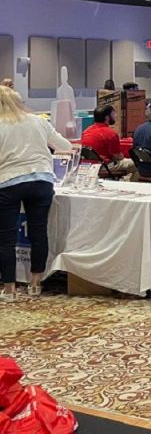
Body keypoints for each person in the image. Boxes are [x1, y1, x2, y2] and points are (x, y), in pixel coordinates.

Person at [0, 86, 73, 301]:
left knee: (6, 239)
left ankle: (9, 289)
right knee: (39, 233)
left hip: (8, 182)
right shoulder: (38, 121)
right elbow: (65, 145)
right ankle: (35, 283)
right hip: (42, 180)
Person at [81, 105, 137, 179]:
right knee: (138, 164)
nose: (115, 116)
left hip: (88, 165)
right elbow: (118, 156)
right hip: (104, 166)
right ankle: (134, 184)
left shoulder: (86, 131)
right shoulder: (111, 134)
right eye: (113, 114)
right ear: (107, 117)